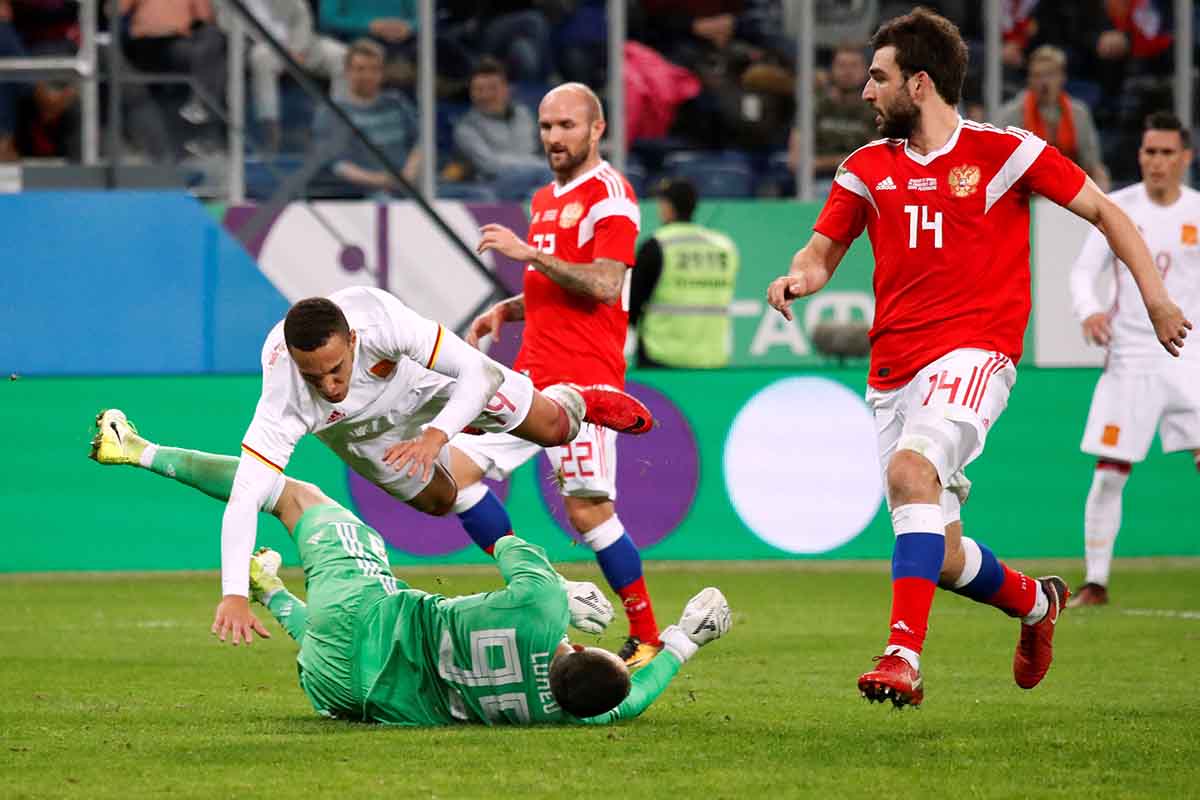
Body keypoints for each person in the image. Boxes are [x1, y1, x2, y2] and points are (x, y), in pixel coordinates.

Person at [765, 7, 1191, 708]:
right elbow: (822, 252)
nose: (867, 92)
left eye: (879, 78)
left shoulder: (1005, 153)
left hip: (975, 354)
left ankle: (902, 655)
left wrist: (1156, 299)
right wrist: (799, 278)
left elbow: (1108, 212)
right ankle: (1036, 604)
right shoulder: (866, 167)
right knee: (939, 551)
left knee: (911, 472)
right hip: (893, 372)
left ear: (920, 84)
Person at [88, 409, 732, 724]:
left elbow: (508, 547)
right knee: (348, 649)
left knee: (293, 496)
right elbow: (635, 697)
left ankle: (138, 451)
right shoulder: (571, 712)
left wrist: (561, 588)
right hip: (344, 695)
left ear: (584, 647)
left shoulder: (540, 608)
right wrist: (684, 640)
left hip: (367, 619)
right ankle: (273, 592)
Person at [143, 284, 651, 645]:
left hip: (424, 384)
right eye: (314, 376)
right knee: (440, 500)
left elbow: (474, 371)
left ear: (354, 342)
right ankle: (469, 428)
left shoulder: (380, 321)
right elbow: (245, 496)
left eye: (336, 369)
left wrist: (437, 434)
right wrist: (233, 593)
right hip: (360, 432)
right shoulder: (285, 396)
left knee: (553, 428)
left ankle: (576, 398)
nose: (329, 385)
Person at [451, 82, 664, 668]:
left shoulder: (611, 196)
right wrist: (509, 307)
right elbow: (559, 287)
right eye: (546, 126)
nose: (553, 137)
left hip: (583, 388)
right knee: (454, 474)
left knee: (587, 512)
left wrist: (529, 255)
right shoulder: (546, 197)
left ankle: (646, 634)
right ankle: (540, 586)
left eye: (567, 125)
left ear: (597, 129)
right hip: (528, 377)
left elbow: (604, 283)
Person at [1067, 111, 1200, 608]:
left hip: (1190, 356)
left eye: (1167, 152)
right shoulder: (1116, 207)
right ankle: (1096, 582)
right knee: (1108, 472)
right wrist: (1089, 310)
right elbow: (1083, 272)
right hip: (1131, 357)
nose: (1156, 161)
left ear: (1185, 158)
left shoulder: (1198, 211)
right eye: (1149, 152)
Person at [628, 177, 740, 369]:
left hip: (661, 355)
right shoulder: (724, 247)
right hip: (712, 357)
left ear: (667, 207)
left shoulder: (658, 244)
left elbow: (634, 301)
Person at [228, 0, 347, 153]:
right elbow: (225, 25)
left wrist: (297, 49)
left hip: (302, 46)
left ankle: (340, 122)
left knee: (343, 56)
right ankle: (270, 129)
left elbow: (301, 14)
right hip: (265, 49)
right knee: (261, 56)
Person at [310, 38, 420, 197]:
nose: (368, 75)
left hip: (408, 194)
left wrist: (409, 173)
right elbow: (337, 165)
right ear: (347, 72)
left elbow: (421, 142)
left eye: (374, 69)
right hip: (356, 198)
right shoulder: (331, 111)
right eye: (360, 69)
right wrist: (383, 181)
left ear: (382, 73)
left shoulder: (397, 103)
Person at [994, 45, 1111, 192]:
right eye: (1037, 76)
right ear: (1029, 79)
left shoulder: (1079, 113)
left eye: (1050, 75)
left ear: (1062, 77)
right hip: (1026, 189)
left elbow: (1092, 163)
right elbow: (999, 163)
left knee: (1102, 175)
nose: (1044, 82)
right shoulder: (1011, 113)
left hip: (1070, 188)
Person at [452, 57, 548, 190]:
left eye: (492, 88)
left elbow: (546, 151)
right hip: (493, 188)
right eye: (478, 89)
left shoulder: (524, 114)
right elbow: (490, 166)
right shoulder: (465, 127)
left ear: (506, 89)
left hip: (538, 180)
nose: (485, 95)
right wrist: (539, 166)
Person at [788, 44, 879, 177]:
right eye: (841, 65)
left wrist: (821, 163)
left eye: (854, 66)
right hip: (815, 181)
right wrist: (843, 161)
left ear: (866, 71)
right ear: (831, 69)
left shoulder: (875, 109)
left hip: (859, 181)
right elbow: (796, 161)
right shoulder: (813, 106)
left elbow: (875, 163)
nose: (848, 72)